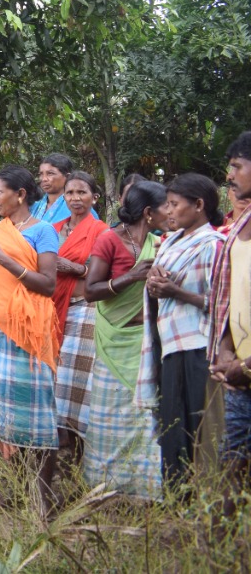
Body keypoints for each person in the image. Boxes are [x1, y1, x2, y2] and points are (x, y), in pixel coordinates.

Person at [0, 165, 61, 512]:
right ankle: (17, 486)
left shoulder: (43, 232)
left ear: (20, 195)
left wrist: (5, 259)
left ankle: (41, 496)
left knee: (36, 412)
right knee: (4, 413)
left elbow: (48, 284)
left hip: (28, 331)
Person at [138, 172, 224, 491]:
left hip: (198, 346)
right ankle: (177, 499)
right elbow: (157, 286)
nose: (169, 211)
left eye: (174, 204)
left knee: (198, 424)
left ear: (199, 205)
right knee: (173, 425)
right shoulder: (171, 242)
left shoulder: (215, 246)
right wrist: (155, 282)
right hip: (170, 345)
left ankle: (204, 498)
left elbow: (221, 303)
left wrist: (176, 291)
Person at [82, 181, 168, 500]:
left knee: (143, 416)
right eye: (165, 207)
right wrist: (131, 276)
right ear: (148, 213)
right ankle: (105, 487)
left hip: (144, 341)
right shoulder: (109, 240)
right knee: (110, 416)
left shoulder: (161, 243)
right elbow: (91, 290)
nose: (170, 212)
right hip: (114, 339)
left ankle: (143, 490)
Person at [50, 171, 108, 478]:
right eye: (70, 193)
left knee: (80, 385)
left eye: (82, 193)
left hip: (84, 311)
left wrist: (73, 268)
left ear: (94, 197)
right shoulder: (54, 228)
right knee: (57, 383)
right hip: (53, 311)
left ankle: (83, 454)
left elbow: (104, 274)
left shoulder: (101, 231)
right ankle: (64, 451)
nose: (75, 198)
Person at [208, 132, 251, 525]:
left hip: (247, 367)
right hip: (239, 371)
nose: (230, 174)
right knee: (232, 459)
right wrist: (224, 350)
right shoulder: (241, 227)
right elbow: (228, 297)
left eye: (237, 165)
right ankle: (222, 546)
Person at [32, 153, 75, 225]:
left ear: (67, 177)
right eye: (41, 174)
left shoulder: (77, 207)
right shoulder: (34, 207)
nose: (44, 179)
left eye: (50, 173)